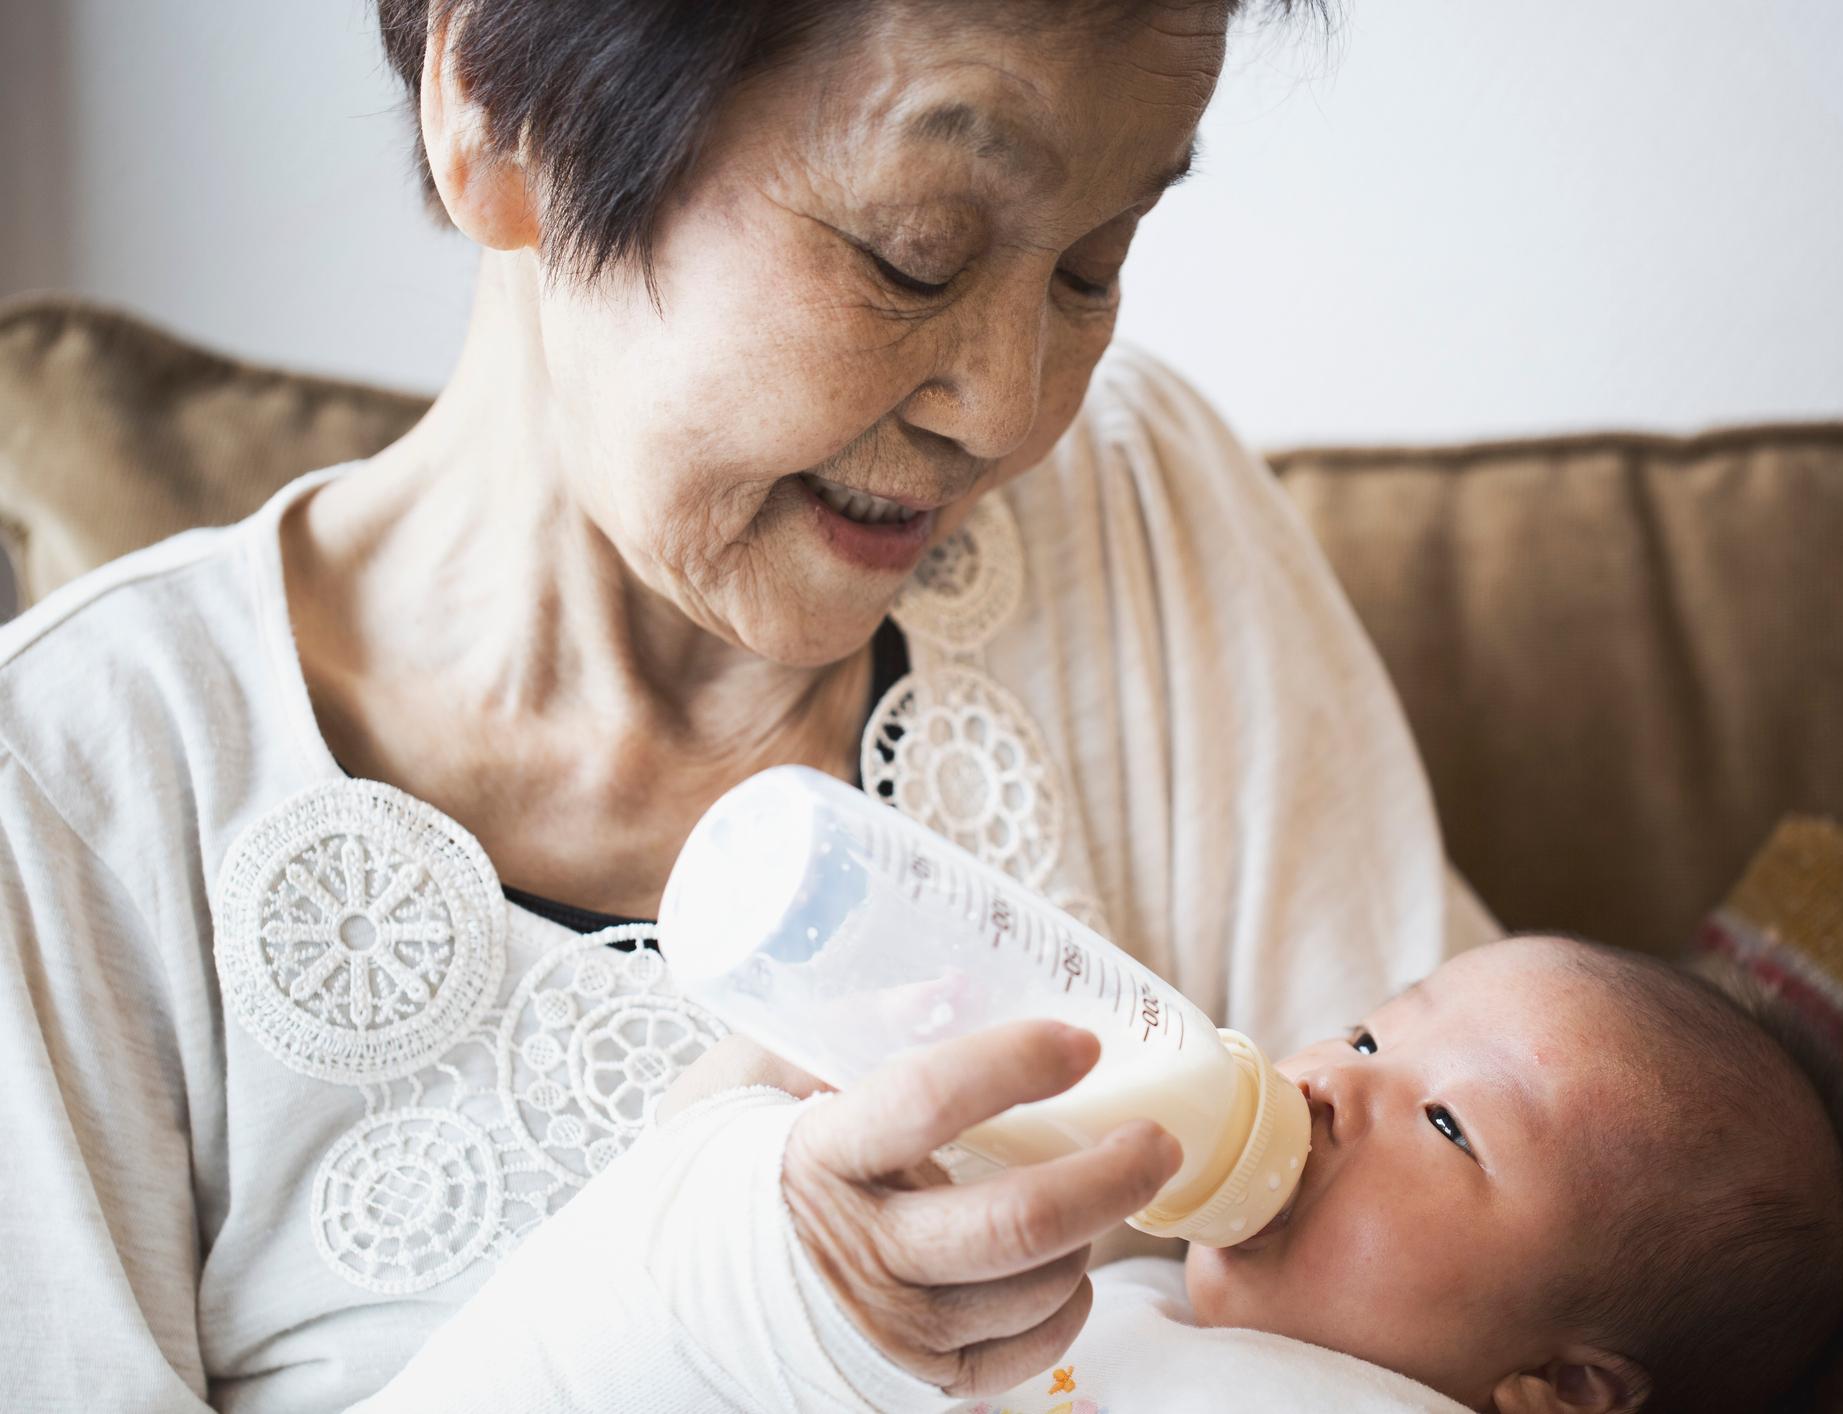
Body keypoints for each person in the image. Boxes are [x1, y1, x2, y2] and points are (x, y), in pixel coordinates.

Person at [0, 1, 1499, 1408]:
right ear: (496, 112)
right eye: (914, 255)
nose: (1012, 407)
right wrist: (694, 1304)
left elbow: (1539, 1263)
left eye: (1091, 264)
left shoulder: (1140, 511)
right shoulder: (73, 792)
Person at [371, 936, 1843, 1414]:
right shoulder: (1117, 1280)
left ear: (1561, 1390)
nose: (1324, 1078)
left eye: (1450, 1125)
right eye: (1363, 1028)